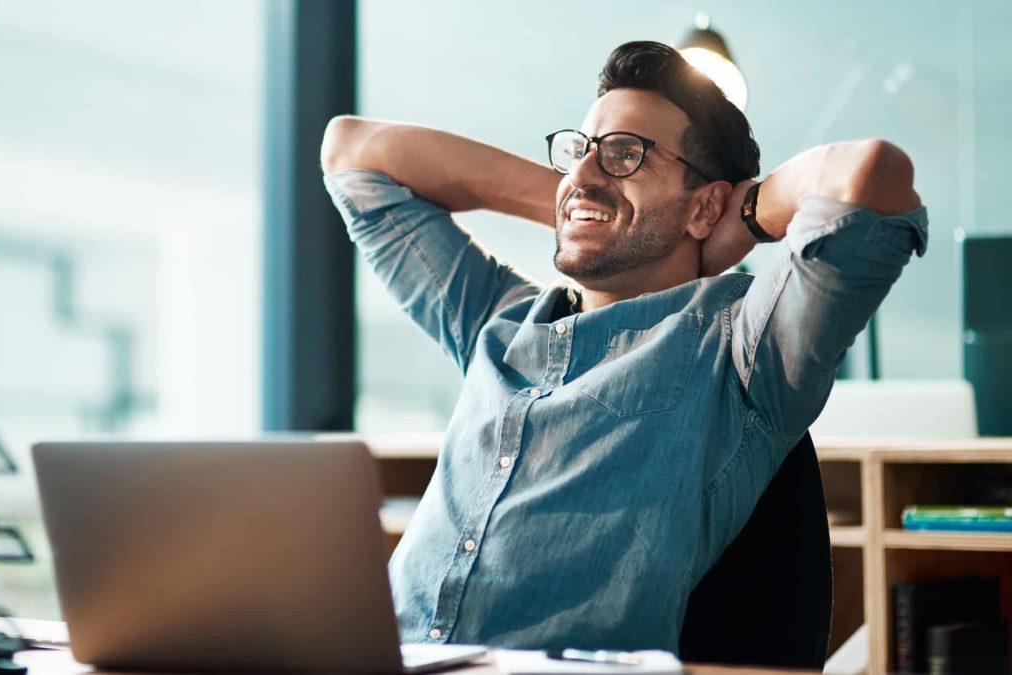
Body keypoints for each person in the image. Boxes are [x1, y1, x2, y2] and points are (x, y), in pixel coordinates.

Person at [319, 41, 927, 652]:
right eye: (579, 152)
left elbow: (870, 174)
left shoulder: (740, 348)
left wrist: (737, 217)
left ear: (706, 202)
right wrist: (585, 203)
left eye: (625, 155)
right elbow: (353, 153)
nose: (582, 172)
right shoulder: (498, 322)